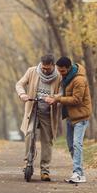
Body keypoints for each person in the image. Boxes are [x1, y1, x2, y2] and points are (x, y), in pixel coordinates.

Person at [45, 56, 92, 183]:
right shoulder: (66, 78)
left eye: (63, 71)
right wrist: (55, 97)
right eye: (59, 71)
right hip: (70, 117)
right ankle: (80, 173)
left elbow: (77, 99)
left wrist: (58, 99)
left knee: (77, 144)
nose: (60, 73)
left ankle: (77, 173)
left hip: (80, 117)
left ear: (69, 68)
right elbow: (66, 94)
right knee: (71, 146)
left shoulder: (79, 80)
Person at [15, 53, 61, 181]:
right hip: (33, 110)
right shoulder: (32, 71)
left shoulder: (59, 76)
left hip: (48, 113)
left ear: (53, 65)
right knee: (30, 133)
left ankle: (45, 170)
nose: (45, 70)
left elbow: (64, 92)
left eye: (48, 68)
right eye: (43, 68)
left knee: (47, 140)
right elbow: (19, 84)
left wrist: (55, 98)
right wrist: (22, 95)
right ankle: (27, 163)